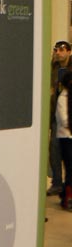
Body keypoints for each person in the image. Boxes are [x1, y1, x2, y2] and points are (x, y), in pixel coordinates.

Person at [48, 41, 72, 196]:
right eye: (56, 50)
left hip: (69, 112)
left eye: (62, 50)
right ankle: (57, 182)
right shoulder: (53, 68)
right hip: (56, 112)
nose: (58, 52)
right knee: (54, 149)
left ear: (69, 51)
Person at [56, 70, 72, 210]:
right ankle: (67, 198)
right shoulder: (62, 98)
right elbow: (64, 120)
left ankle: (65, 195)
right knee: (70, 168)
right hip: (66, 137)